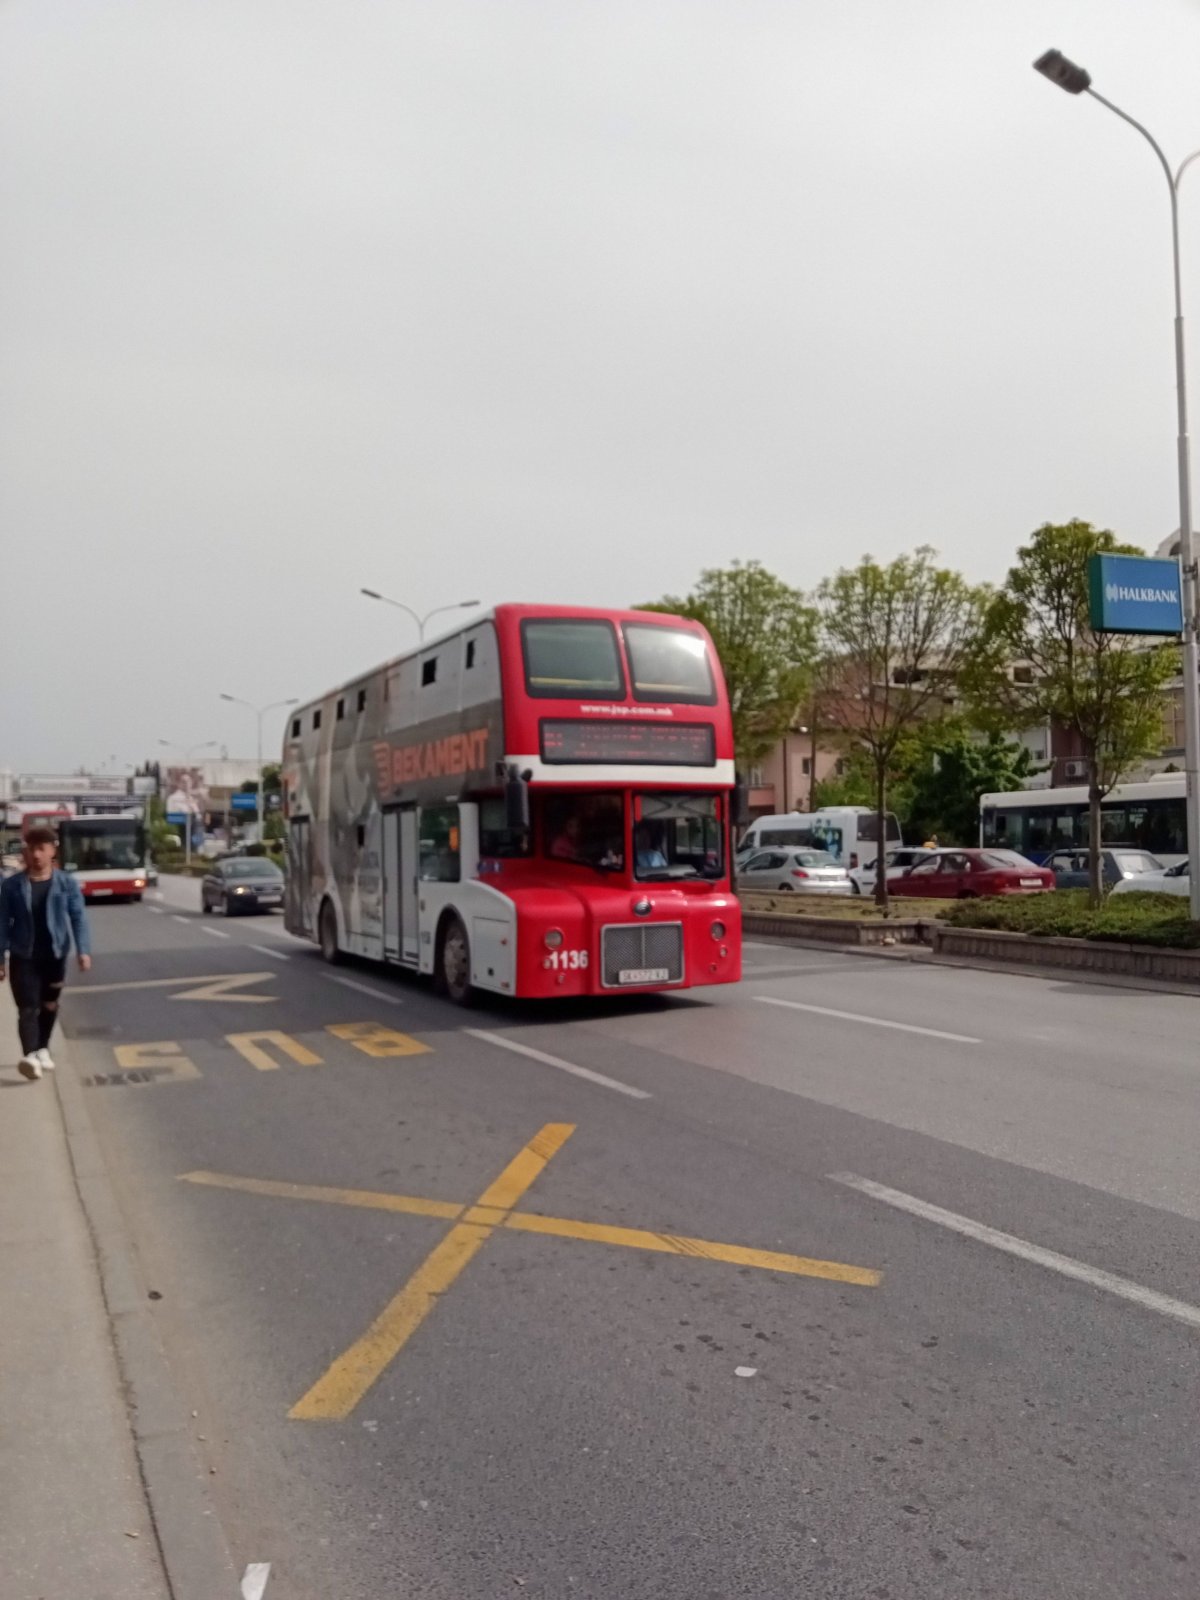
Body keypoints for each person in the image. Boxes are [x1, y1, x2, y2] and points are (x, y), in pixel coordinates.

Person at [0, 826, 92, 1080]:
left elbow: (78, 918)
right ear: (26, 852)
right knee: (27, 1007)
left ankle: (42, 1048)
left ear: (52, 851)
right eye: (32, 849)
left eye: (42, 848)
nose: (36, 854)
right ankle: (29, 1056)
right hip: (23, 956)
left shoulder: (66, 883)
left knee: (49, 1004)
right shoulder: (12, 886)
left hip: (55, 955)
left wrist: (83, 950)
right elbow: (2, 923)